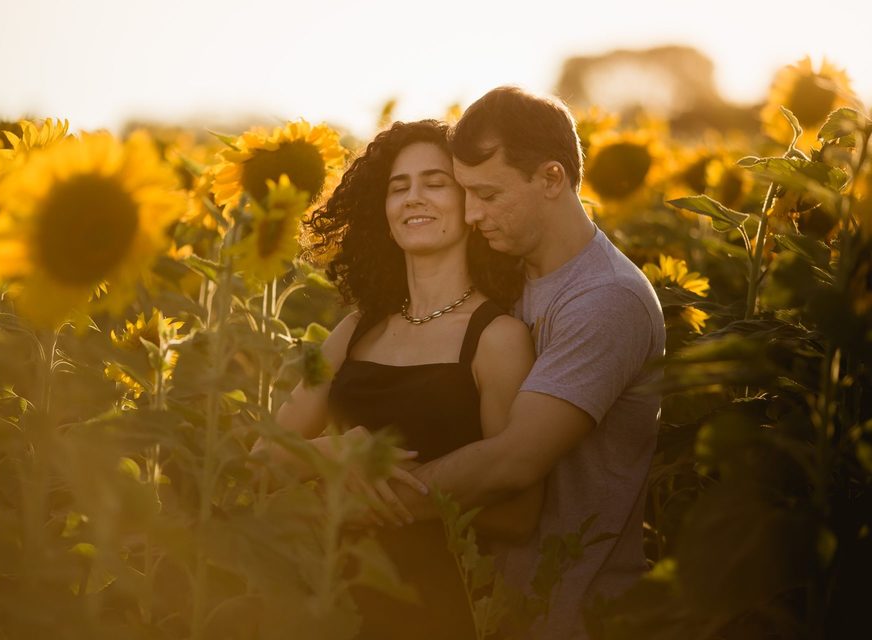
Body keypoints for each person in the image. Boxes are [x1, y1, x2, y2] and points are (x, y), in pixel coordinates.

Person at [380, 88, 667, 640]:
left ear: (552, 178)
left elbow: (513, 461)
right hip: (486, 608)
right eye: (464, 192)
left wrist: (370, 496)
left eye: (487, 194)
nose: (471, 214)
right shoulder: (504, 274)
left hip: (574, 614)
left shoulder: (605, 299)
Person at [254, 119, 541, 639]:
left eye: (435, 183)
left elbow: (518, 512)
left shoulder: (497, 338)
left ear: (469, 204)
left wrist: (391, 496)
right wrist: (333, 454)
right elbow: (259, 462)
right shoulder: (352, 331)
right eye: (398, 187)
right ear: (381, 212)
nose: (414, 198)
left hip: (437, 612)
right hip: (329, 604)